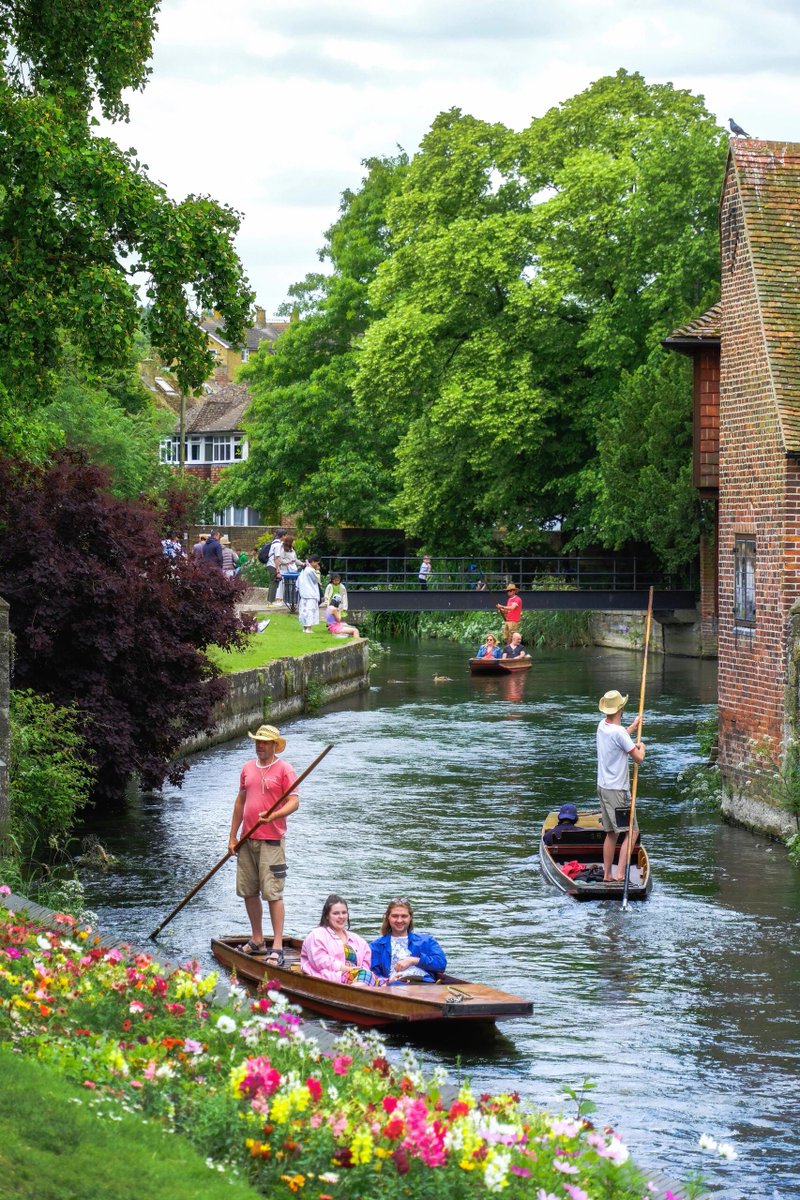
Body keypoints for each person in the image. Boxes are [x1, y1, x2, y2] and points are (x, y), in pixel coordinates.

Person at [228, 724, 299, 965]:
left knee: (273, 893)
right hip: (247, 841)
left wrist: (274, 815)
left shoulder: (285, 769)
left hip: (271, 841)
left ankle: (277, 945)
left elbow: (294, 802)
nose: (260, 745)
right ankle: (257, 938)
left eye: (264, 742)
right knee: (248, 890)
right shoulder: (247, 768)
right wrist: (232, 837)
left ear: (274, 745)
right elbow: (240, 802)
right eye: (257, 741)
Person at [596, 690, 645, 883]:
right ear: (621, 708)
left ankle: (607, 874)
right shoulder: (619, 733)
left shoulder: (602, 726)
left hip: (603, 787)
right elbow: (639, 758)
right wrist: (643, 748)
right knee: (631, 832)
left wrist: (633, 726)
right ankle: (619, 875)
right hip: (617, 790)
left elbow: (621, 738)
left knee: (611, 833)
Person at [301, 895, 386, 987]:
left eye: (344, 912)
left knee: (386, 982)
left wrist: (358, 971)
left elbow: (366, 958)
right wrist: (346, 968)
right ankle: (354, 993)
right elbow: (320, 961)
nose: (341, 916)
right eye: (336, 913)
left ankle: (361, 989)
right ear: (327, 916)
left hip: (359, 976)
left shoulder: (357, 939)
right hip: (331, 979)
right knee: (367, 976)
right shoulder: (317, 935)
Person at [369, 898, 446, 984]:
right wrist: (387, 981)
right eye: (395, 916)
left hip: (424, 984)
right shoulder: (376, 946)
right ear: (388, 918)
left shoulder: (427, 941)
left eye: (404, 916)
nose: (399, 920)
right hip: (395, 985)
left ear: (410, 918)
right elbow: (373, 974)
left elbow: (441, 964)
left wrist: (414, 960)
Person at [297, 553, 322, 633]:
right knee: (310, 611)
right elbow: (316, 580)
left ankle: (305, 627)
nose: (317, 565)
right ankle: (308, 628)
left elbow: (298, 582)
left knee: (304, 611)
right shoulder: (310, 570)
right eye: (317, 563)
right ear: (314, 562)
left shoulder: (304, 570)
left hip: (304, 593)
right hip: (311, 593)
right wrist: (317, 571)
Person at [261, 529, 285, 602]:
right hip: (273, 565)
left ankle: (269, 600)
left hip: (270, 564)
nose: (286, 537)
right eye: (285, 535)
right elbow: (276, 558)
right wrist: (277, 570)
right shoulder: (278, 545)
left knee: (272, 582)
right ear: (283, 536)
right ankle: (271, 601)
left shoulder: (274, 543)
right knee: (273, 583)